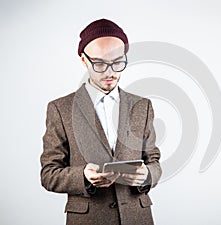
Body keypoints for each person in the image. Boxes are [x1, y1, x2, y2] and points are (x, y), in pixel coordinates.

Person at [40, 18, 162, 225]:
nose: (109, 72)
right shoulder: (60, 109)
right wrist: (83, 177)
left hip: (138, 217)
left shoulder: (143, 105)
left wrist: (147, 175)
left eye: (117, 62)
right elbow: (49, 174)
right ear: (84, 60)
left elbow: (154, 161)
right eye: (99, 63)